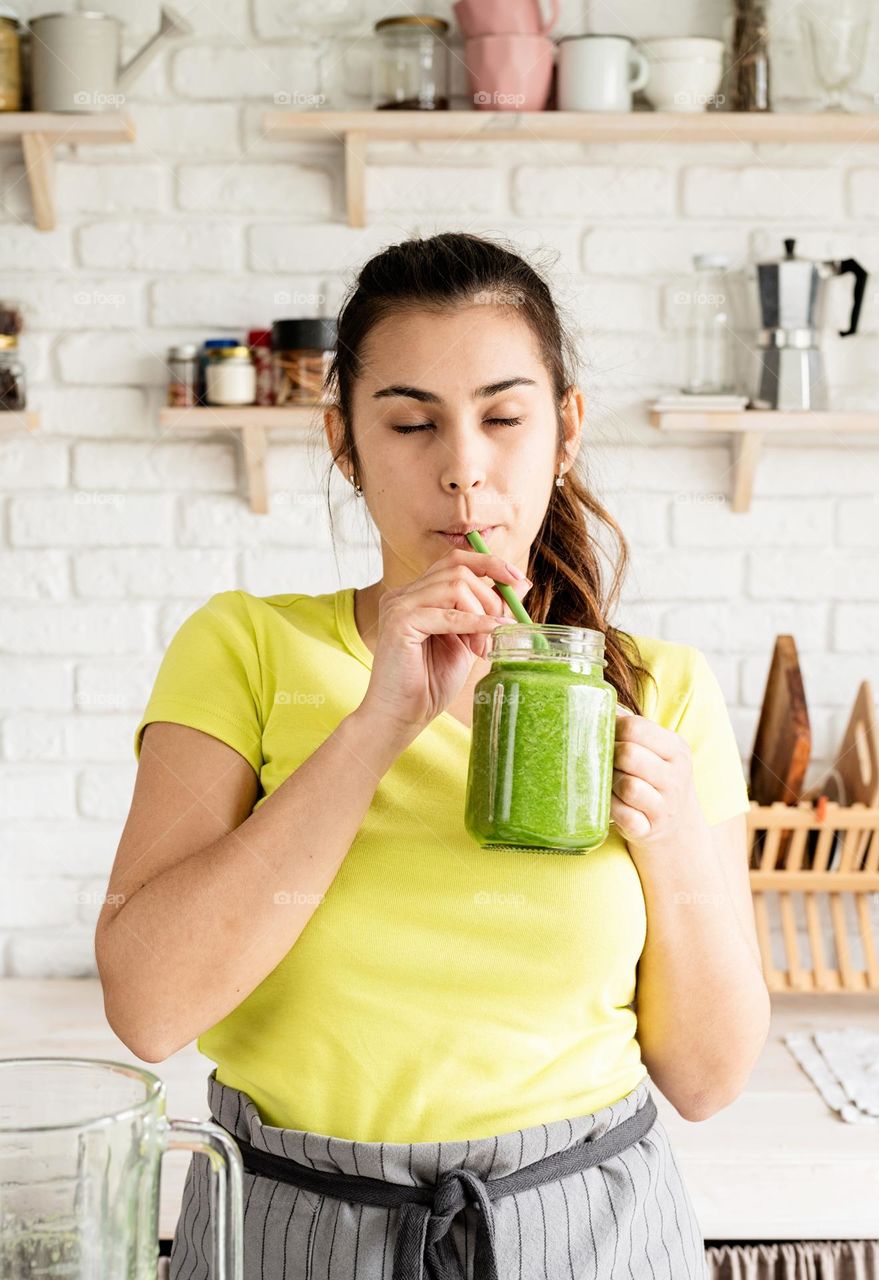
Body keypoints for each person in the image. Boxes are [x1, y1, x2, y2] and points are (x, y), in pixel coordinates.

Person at [95, 232, 771, 1280]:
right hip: (294, 1227)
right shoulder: (245, 647)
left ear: (567, 429)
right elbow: (148, 1006)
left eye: (504, 417)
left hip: (593, 1232)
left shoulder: (661, 689)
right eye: (411, 422)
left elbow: (711, 1077)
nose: (464, 467)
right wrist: (375, 728)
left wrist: (673, 835)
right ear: (344, 441)